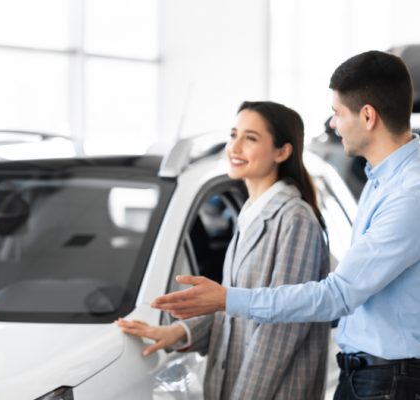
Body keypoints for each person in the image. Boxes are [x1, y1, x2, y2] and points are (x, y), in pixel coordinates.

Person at [152, 51, 420, 399]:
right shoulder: (381, 178)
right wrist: (188, 327)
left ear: (368, 116)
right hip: (365, 373)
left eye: (337, 113)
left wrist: (225, 299)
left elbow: (335, 296)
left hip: (388, 379)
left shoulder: (408, 194)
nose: (333, 124)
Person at [117, 101, 330, 399]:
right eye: (234, 135)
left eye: (250, 138)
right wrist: (177, 332)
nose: (235, 147)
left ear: (282, 152)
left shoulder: (294, 218)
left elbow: (282, 328)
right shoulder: (251, 211)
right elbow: (236, 308)